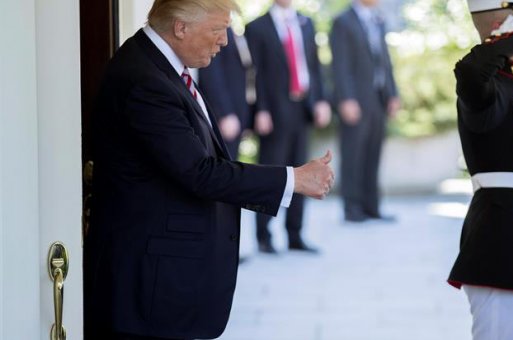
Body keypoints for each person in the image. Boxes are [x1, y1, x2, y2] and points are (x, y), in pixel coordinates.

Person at [84, 0, 334, 339]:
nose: (225, 41)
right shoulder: (145, 79)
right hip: (148, 287)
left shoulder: (161, 66)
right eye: (217, 30)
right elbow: (200, 171)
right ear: (181, 27)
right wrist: (293, 179)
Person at [447, 1, 513, 339]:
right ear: (503, 23)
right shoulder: (487, 88)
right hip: (500, 246)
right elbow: (469, 71)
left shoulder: (510, 83)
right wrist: (507, 38)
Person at [245, 0, 331, 254]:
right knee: (271, 172)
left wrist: (321, 100)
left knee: (301, 170)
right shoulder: (257, 27)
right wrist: (260, 109)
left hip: (302, 108)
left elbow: (314, 66)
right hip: (273, 111)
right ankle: (264, 235)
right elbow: (253, 74)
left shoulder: (306, 22)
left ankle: (295, 235)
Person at [330, 0, 400, 223]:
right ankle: (352, 208)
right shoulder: (342, 21)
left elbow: (385, 61)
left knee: (373, 153)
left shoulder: (378, 19)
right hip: (355, 100)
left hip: (377, 98)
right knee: (353, 155)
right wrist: (346, 98)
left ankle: (372, 207)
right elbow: (340, 64)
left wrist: (392, 93)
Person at [198, 26, 255, 159]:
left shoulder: (233, 28)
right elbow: (211, 73)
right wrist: (225, 114)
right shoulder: (216, 27)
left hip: (238, 111)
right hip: (225, 115)